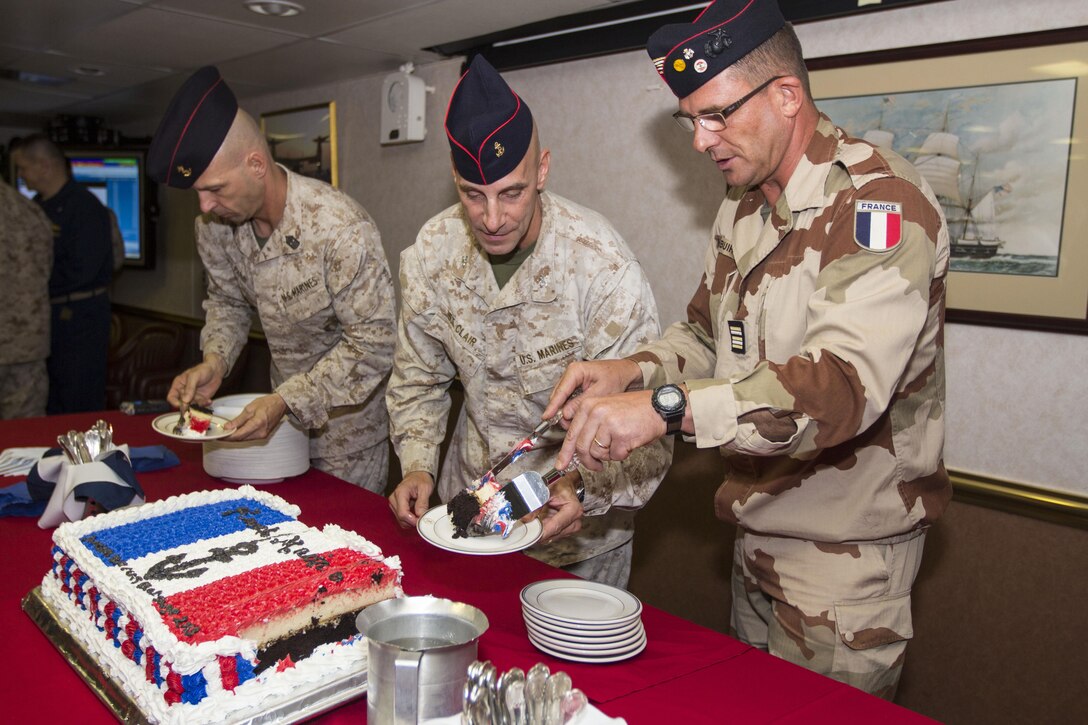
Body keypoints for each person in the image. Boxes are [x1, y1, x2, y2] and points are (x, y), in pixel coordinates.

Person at [544, 0, 951, 698]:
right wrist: (629, 370)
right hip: (755, 530)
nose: (701, 141)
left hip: (842, 563)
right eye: (689, 120)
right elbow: (706, 335)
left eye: (716, 116)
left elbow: (839, 390)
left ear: (787, 95)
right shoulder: (744, 203)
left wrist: (664, 407)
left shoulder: (880, 208)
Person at [386, 56, 672, 588]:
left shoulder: (600, 264)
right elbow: (418, 378)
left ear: (542, 170)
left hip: (577, 537)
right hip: (467, 517)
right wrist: (418, 463)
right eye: (474, 195)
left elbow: (647, 431)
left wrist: (583, 491)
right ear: (455, 179)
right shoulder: (432, 252)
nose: (492, 219)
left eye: (511, 192)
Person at [148, 66, 395, 492]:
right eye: (198, 193)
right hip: (275, 430)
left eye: (216, 189)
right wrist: (215, 361)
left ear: (257, 164)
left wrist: (287, 400)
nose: (206, 205)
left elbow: (375, 344)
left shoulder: (339, 228)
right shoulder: (214, 228)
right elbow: (227, 301)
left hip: (347, 440)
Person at [11, 134, 113, 414]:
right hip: (50, 318)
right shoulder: (38, 208)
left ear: (44, 166)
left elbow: (83, 269)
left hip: (80, 316)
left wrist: (34, 285)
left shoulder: (85, 207)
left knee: (77, 397)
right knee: (54, 399)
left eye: (23, 167)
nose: (21, 175)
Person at [0, 177, 54, 419]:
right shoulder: (30, 209)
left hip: (22, 341)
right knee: (25, 433)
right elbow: (46, 267)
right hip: (26, 342)